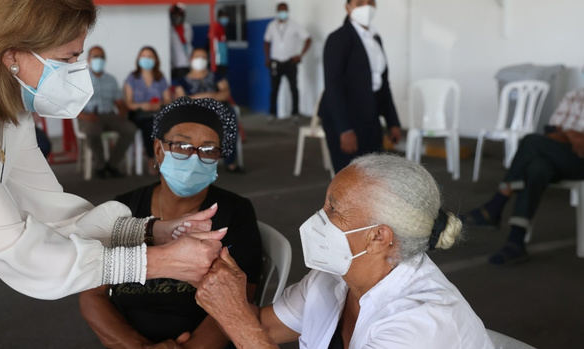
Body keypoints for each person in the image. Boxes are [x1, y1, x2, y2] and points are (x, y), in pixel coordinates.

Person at [0, 0, 226, 301]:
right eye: (68, 59)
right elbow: (20, 250)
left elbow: (51, 212)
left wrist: (152, 232)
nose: (77, 71)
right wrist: (161, 261)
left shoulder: (10, 110)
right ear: (11, 55)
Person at [195, 154, 494, 349]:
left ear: (378, 237)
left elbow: (246, 329)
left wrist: (234, 314)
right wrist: (218, 286)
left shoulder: (420, 323)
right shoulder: (334, 279)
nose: (318, 218)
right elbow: (265, 329)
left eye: (333, 209)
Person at [80, 97, 262, 349]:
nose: (195, 158)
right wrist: (136, 346)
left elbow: (240, 301)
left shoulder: (235, 213)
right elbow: (92, 294)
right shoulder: (124, 209)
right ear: (158, 150)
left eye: (208, 150)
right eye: (181, 145)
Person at [466, 88, 584, 265]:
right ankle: (516, 241)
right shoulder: (574, 94)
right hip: (560, 152)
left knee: (531, 141)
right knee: (537, 168)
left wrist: (568, 135)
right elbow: (551, 129)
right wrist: (570, 136)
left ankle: (496, 205)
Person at [319, 0, 402, 173]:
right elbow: (333, 86)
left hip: (370, 115)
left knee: (373, 174)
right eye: (359, 3)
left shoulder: (375, 38)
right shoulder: (338, 38)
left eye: (370, 2)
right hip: (344, 118)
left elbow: (382, 84)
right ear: (348, 7)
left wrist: (393, 121)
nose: (366, 7)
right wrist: (344, 129)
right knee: (349, 176)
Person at [174, 48, 242, 173]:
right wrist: (209, 96)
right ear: (191, 60)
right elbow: (181, 100)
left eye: (203, 57)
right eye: (197, 57)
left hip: (219, 110)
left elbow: (225, 93)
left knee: (229, 121)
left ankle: (230, 162)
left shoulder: (216, 76)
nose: (200, 60)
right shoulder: (182, 81)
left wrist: (200, 97)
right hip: (194, 113)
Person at [77, 45, 137, 178]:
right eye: (95, 56)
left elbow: (119, 102)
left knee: (130, 129)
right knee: (93, 131)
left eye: (101, 57)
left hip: (109, 115)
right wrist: (84, 116)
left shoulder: (111, 79)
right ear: (88, 59)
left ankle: (113, 164)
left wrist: (122, 112)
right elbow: (72, 104)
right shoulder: (80, 79)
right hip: (89, 116)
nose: (99, 59)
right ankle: (100, 166)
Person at [124, 46, 172, 175]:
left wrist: (158, 104)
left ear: (155, 59)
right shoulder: (132, 77)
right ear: (139, 59)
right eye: (143, 56)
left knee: (164, 123)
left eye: (150, 56)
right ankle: (152, 158)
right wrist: (143, 106)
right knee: (150, 125)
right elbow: (128, 103)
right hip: (138, 114)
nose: (146, 59)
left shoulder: (160, 77)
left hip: (157, 113)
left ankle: (169, 158)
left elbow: (167, 99)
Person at [264, 2, 312, 120]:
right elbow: (266, 42)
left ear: (288, 11)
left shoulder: (294, 25)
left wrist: (300, 55)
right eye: (281, 11)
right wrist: (267, 58)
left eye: (285, 11)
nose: (283, 13)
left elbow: (308, 39)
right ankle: (272, 113)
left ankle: (295, 113)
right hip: (275, 62)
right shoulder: (271, 26)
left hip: (290, 62)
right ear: (277, 12)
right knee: (274, 89)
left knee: (293, 88)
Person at [170, 3, 193, 80]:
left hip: (189, 62)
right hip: (176, 65)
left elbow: (188, 40)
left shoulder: (187, 26)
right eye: (175, 15)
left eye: (179, 15)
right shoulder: (169, 28)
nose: (177, 18)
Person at [212, 9, 230, 76]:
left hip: (223, 60)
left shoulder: (223, 28)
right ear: (219, 17)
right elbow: (210, 42)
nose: (225, 19)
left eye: (226, 17)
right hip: (217, 61)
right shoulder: (216, 26)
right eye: (223, 16)